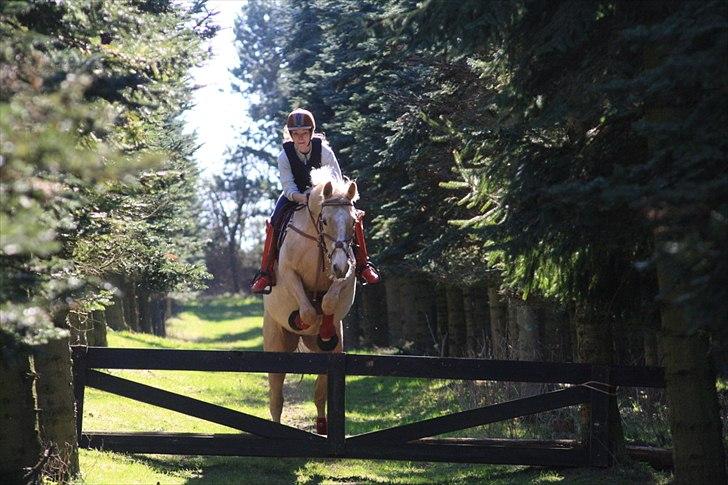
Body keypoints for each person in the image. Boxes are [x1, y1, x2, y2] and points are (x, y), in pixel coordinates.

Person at [250, 108, 380, 294]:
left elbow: (336, 179)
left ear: (311, 133)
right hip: (296, 197)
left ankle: (363, 266)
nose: (301, 137)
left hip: (328, 197)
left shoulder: (324, 151)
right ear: (291, 134)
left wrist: (323, 197)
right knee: (274, 221)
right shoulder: (284, 156)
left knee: (354, 216)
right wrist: (303, 198)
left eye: (304, 133)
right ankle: (265, 273)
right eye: (296, 134)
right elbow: (288, 187)